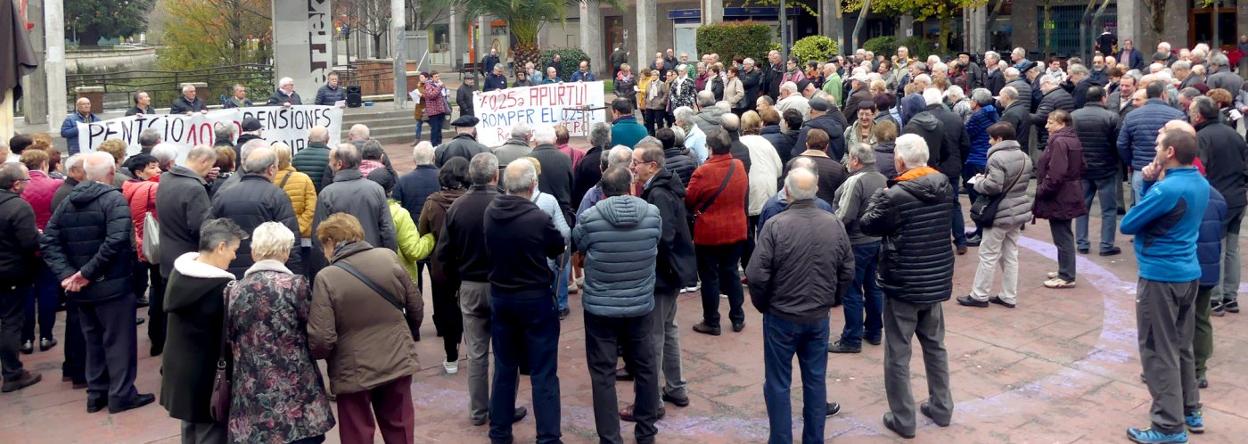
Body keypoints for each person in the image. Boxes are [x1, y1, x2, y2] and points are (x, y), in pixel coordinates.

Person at [41, 152, 155, 414]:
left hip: (84, 286)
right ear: (112, 173)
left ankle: (97, 393)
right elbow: (116, 241)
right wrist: (79, 274)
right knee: (118, 342)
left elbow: (48, 240)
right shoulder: (112, 199)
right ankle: (120, 394)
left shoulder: (68, 200)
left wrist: (72, 274)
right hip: (110, 285)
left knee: (93, 340)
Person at [859, 134, 955, 439]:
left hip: (904, 280)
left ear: (900, 161)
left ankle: (903, 418)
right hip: (935, 278)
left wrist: (881, 194)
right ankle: (942, 406)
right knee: (935, 345)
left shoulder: (895, 195)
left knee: (898, 353)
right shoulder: (944, 184)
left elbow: (867, 224)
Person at [747, 166, 851, 443]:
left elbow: (756, 275)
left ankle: (781, 439)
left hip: (783, 315)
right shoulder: (833, 223)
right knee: (815, 380)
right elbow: (847, 269)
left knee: (779, 383)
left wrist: (765, 304)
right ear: (815, 190)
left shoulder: (776, 225)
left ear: (788, 191)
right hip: (816, 315)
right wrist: (833, 299)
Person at [1119, 129, 1208, 444]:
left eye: (1158, 145)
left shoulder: (1167, 189)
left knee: (1158, 350)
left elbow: (1129, 223)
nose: (1154, 148)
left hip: (1161, 275)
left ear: (1170, 152)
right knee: (1181, 346)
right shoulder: (1199, 181)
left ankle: (1168, 425)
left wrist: (1146, 183)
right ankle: (1190, 410)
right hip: (1187, 272)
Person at [310, 213, 422, 444]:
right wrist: (404, 333)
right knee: (400, 426)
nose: (323, 251)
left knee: (356, 433)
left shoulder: (327, 277)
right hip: (396, 357)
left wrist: (327, 357)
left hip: (353, 368)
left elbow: (322, 338)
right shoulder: (388, 257)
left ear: (331, 241)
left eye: (324, 245)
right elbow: (416, 306)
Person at [222, 221, 335, 443]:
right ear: (285, 252)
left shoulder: (233, 290)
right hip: (297, 391)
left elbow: (229, 336)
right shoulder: (295, 285)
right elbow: (312, 329)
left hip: (252, 391)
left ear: (254, 251)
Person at [437, 153, 528, 426]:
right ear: (495, 176)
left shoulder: (457, 208)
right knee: (505, 352)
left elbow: (443, 254)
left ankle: (478, 411)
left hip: (471, 286)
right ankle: (504, 408)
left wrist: (456, 282)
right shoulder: (507, 204)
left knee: (476, 354)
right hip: (503, 286)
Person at [572, 166, 661, 443]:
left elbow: (579, 245)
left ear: (602, 190)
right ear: (631, 185)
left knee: (602, 373)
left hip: (601, 308)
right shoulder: (652, 214)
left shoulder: (589, 218)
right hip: (640, 305)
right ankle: (646, 432)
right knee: (645, 367)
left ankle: (610, 438)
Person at [484, 160, 567, 444]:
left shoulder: (491, 212)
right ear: (533, 186)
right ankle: (548, 437)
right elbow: (557, 245)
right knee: (544, 372)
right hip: (534, 298)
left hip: (503, 296)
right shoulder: (537, 217)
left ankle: (499, 432)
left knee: (505, 367)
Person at [160, 218, 243, 443]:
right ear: (221, 247)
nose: (235, 256)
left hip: (179, 370)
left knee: (189, 429)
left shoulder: (181, 273)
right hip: (206, 376)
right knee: (211, 433)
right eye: (234, 250)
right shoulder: (222, 287)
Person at [630, 142, 696, 416]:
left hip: (663, 273)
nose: (632, 167)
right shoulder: (666, 187)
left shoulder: (658, 193)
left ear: (653, 165)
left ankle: (652, 399)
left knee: (654, 336)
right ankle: (676, 387)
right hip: (674, 270)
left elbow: (664, 235)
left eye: (636, 162)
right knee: (669, 329)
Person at [955, 122, 1034, 309]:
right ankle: (1009, 295)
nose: (989, 141)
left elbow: (994, 186)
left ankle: (979, 294)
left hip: (999, 212)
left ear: (999, 139)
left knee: (988, 254)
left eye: (991, 138)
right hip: (1018, 210)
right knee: (1010, 254)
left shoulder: (997, 158)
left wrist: (979, 182)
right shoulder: (1024, 156)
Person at [1188, 96, 1248, 317]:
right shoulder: (1233, 134)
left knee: (1216, 248)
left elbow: (1199, 170)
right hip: (1237, 197)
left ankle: (1215, 298)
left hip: (1217, 198)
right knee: (1231, 248)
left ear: (1198, 115)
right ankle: (1230, 297)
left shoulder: (1202, 137)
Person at [686, 128, 749, 336]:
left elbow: (690, 199)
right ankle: (738, 316)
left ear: (710, 148)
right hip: (736, 228)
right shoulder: (738, 166)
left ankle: (712, 321)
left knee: (710, 277)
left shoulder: (703, 171)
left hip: (709, 232)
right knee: (731, 272)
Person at [828, 142, 889, 353]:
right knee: (873, 287)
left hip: (857, 242)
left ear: (855, 160)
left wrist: (829, 228)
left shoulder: (856, 180)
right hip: (876, 240)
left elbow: (845, 215)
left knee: (852, 290)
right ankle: (874, 330)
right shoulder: (881, 178)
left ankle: (851, 338)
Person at [210, 146, 303, 278]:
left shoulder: (224, 194)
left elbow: (210, 233)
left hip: (228, 269)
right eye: (276, 167)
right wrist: (295, 274)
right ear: (271, 169)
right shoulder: (276, 196)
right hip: (265, 274)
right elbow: (290, 239)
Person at [312, 143, 399, 273]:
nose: (329, 165)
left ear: (339, 164)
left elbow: (319, 236)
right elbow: (388, 230)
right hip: (373, 260)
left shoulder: (327, 194)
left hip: (341, 266)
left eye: (331, 161)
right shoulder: (376, 189)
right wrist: (391, 259)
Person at [418, 157, 470, 374]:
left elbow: (422, 231)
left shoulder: (432, 202)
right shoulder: (470, 200)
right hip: (469, 263)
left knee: (447, 310)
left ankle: (451, 357)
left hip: (442, 265)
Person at [0, 163, 43, 392]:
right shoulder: (18, 207)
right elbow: (30, 243)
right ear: (16, 184)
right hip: (11, 273)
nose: (28, 184)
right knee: (10, 322)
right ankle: (12, 373)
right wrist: (39, 236)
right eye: (26, 181)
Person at [1033, 110, 1086, 289]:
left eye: (1051, 123)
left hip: (1060, 195)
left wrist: (1042, 189)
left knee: (1062, 236)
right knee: (1063, 234)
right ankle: (1065, 270)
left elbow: (1056, 173)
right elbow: (1082, 165)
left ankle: (1066, 275)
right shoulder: (1072, 139)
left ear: (1062, 123)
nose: (1047, 126)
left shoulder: (1059, 142)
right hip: (1069, 191)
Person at [15, 151, 61, 354]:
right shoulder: (55, 186)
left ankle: (25, 339)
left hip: (21, 247)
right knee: (47, 290)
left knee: (26, 292)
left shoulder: (16, 187)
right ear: (44, 163)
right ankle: (46, 336)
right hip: (47, 245)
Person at [1071, 86, 1122, 256]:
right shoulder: (1111, 117)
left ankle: (1082, 242)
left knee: (1082, 205)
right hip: (1105, 168)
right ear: (1103, 97)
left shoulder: (1074, 116)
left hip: (1082, 168)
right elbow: (1118, 144)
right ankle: (1106, 245)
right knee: (1108, 209)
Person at [1118, 82, 1184, 205]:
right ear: (1164, 94)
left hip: (1141, 169)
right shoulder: (1177, 115)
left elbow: (1122, 144)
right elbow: (1183, 143)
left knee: (1142, 208)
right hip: (1168, 169)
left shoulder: (1131, 116)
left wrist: (1132, 161)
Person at [959, 89, 997, 248]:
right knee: (981, 197)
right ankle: (979, 230)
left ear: (976, 102)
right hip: (985, 158)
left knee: (977, 199)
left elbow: (965, 135)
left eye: (971, 99)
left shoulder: (977, 116)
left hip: (975, 159)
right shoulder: (993, 112)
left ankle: (981, 233)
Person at [528, 125, 575, 227]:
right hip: (562, 214)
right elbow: (572, 186)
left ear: (535, 141)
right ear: (554, 140)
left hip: (534, 214)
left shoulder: (527, 160)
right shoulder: (565, 159)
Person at [794, 128, 849, 205]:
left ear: (807, 144)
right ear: (827, 147)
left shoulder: (793, 164)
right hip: (827, 212)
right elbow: (843, 196)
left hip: (797, 210)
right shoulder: (837, 168)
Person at [792, 96, 847, 160]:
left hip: (812, 167)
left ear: (811, 110)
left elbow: (798, 152)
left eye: (808, 108)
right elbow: (841, 151)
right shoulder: (838, 127)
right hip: (833, 166)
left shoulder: (808, 130)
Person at [292, 126, 333, 192]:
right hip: (325, 197)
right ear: (328, 139)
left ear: (309, 139)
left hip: (304, 198)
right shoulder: (333, 157)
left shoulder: (297, 157)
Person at [423, 72, 450, 146]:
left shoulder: (439, 84)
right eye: (436, 76)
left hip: (441, 110)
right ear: (431, 78)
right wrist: (439, 87)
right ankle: (434, 144)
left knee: (439, 129)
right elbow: (431, 95)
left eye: (438, 76)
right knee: (434, 129)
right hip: (433, 111)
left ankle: (439, 143)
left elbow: (442, 95)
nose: (438, 78)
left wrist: (446, 91)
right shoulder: (428, 85)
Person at [642, 69, 669, 135]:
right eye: (652, 75)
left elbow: (666, 93)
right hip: (649, 106)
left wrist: (661, 101)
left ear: (658, 76)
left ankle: (661, 135)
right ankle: (651, 134)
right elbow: (646, 94)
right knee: (649, 121)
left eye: (655, 75)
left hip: (658, 106)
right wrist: (645, 101)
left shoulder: (662, 84)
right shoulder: (648, 84)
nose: (653, 76)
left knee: (659, 122)